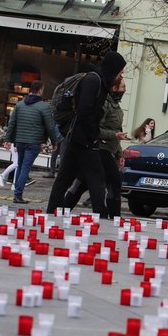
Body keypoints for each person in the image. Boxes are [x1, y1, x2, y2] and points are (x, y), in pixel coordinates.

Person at [46, 51, 126, 218]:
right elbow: (85, 111)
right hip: (83, 137)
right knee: (96, 176)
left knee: (65, 177)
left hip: (78, 136)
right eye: (121, 70)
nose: (122, 74)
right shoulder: (93, 80)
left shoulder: (100, 82)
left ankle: (52, 210)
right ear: (113, 69)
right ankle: (101, 215)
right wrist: (93, 135)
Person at [62, 76, 130, 218]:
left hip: (109, 149)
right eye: (123, 87)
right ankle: (113, 217)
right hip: (100, 149)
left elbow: (118, 130)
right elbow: (98, 129)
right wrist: (114, 135)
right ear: (114, 88)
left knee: (82, 182)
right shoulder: (105, 104)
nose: (125, 90)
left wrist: (119, 154)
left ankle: (63, 209)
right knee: (114, 182)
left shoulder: (115, 105)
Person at [2, 81, 61, 204]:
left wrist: (7, 139)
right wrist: (55, 142)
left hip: (20, 141)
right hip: (33, 142)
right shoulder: (44, 106)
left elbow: (12, 123)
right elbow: (50, 127)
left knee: (20, 165)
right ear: (40, 90)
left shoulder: (19, 105)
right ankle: (18, 194)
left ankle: (16, 193)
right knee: (25, 168)